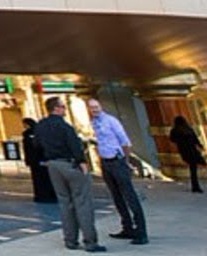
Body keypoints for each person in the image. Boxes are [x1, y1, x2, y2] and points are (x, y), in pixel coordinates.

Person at [37, 97, 106, 252]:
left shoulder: (41, 126)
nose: (65, 109)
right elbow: (74, 145)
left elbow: (37, 145)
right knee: (82, 202)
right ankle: (90, 241)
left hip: (53, 165)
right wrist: (82, 162)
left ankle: (70, 240)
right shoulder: (65, 126)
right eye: (63, 106)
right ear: (56, 108)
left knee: (64, 203)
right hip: (70, 164)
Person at [87, 98, 148, 245]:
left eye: (96, 106)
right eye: (92, 107)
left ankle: (141, 231)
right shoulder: (94, 122)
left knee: (129, 196)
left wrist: (125, 161)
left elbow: (125, 142)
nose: (95, 109)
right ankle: (127, 227)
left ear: (101, 106)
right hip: (106, 162)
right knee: (116, 196)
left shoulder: (111, 121)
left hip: (117, 160)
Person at [22, 118, 57, 203]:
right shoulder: (39, 133)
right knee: (44, 177)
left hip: (36, 159)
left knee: (39, 177)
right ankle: (47, 194)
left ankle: (43, 195)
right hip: (40, 158)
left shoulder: (30, 134)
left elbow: (31, 148)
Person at [169, 116, 206, 193]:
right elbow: (195, 139)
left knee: (193, 168)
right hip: (192, 150)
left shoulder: (175, 130)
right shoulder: (188, 129)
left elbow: (172, 139)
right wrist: (200, 145)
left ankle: (195, 186)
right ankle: (195, 186)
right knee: (194, 168)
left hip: (185, 151)